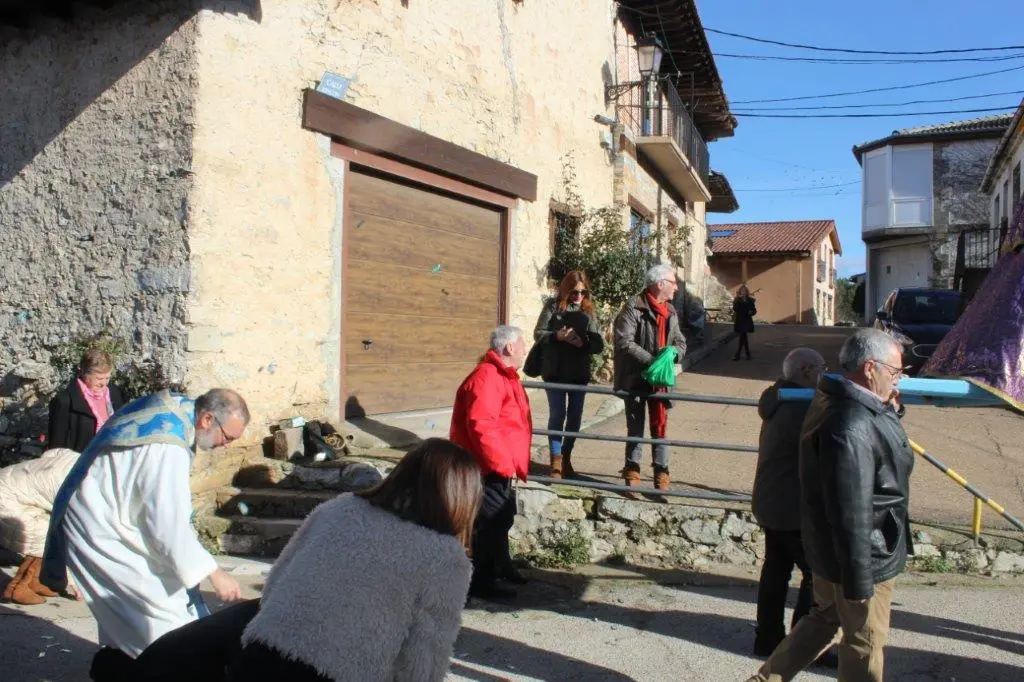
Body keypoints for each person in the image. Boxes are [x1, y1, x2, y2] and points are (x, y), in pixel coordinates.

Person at [40, 388, 250, 680]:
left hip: (117, 516)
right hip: (100, 528)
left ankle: (116, 666)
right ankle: (128, 668)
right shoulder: (167, 447)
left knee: (135, 616)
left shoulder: (177, 410)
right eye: (228, 438)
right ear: (207, 419)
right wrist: (213, 573)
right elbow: (166, 524)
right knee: (161, 621)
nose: (226, 446)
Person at [746, 328, 913, 682]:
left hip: (835, 548)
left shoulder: (839, 400)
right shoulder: (850, 422)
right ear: (870, 368)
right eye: (895, 371)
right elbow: (851, 507)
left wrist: (891, 411)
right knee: (864, 642)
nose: (899, 379)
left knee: (823, 619)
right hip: (862, 553)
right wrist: (859, 579)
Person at [751, 348, 826, 656]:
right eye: (822, 368)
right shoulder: (800, 407)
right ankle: (803, 645)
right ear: (807, 371)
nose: (824, 375)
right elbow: (824, 447)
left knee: (776, 570)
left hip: (772, 500)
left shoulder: (779, 398)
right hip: (792, 506)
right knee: (817, 575)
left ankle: (768, 638)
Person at [450, 325, 532, 600]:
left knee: (503, 515)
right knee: (488, 522)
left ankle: (501, 567)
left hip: (499, 464)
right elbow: (481, 425)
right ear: (509, 347)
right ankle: (481, 582)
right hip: (488, 466)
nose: (524, 350)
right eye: (522, 345)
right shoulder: (488, 377)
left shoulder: (503, 375)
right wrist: (501, 465)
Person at [613, 263, 687, 492]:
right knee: (635, 427)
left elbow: (681, 342)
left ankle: (661, 472)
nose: (676, 288)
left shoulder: (671, 311)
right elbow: (624, 341)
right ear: (660, 284)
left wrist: (672, 354)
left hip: (660, 382)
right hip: (635, 378)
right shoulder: (633, 307)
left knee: (660, 426)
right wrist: (653, 362)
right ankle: (632, 471)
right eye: (673, 283)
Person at [532, 270, 605, 479]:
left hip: (578, 373)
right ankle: (556, 460)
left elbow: (599, 344)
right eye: (574, 292)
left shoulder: (589, 311)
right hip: (554, 371)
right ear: (566, 290)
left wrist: (583, 343)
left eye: (583, 292)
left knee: (574, 417)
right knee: (557, 414)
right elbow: (538, 333)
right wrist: (557, 336)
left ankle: (566, 458)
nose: (578, 296)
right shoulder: (553, 307)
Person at [1, 448, 81, 605]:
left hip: (7, 482)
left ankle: (36, 581)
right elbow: (71, 533)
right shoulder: (82, 487)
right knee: (45, 535)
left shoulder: (77, 459)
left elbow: (52, 453)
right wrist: (73, 581)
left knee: (46, 524)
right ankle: (17, 588)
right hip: (7, 501)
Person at [47, 349, 126, 452]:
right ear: (85, 374)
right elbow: (56, 446)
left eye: (107, 378)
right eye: (99, 378)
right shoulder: (64, 401)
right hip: (80, 459)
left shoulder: (114, 392)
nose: (103, 384)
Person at [733, 284, 757, 361]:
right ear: (740, 292)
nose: (743, 292)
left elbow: (754, 310)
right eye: (742, 291)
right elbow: (735, 309)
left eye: (745, 291)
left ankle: (738, 354)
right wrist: (737, 300)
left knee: (743, 336)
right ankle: (747, 354)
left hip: (747, 320)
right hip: (740, 320)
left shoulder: (750, 300)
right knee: (743, 336)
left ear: (747, 292)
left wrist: (751, 312)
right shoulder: (737, 299)